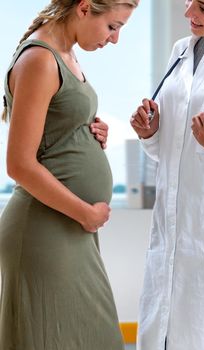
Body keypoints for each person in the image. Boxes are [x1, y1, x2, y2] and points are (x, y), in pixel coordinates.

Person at [0, 0, 139, 349]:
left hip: (68, 228)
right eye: (112, 26)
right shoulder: (40, 59)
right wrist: (86, 213)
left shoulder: (65, 54)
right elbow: (19, 164)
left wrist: (88, 132)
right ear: (85, 7)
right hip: (44, 229)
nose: (116, 39)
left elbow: (53, 130)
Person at [130, 0, 204, 349]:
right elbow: (171, 152)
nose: (189, 15)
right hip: (169, 232)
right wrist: (150, 132)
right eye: (189, 2)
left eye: (203, 8)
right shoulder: (180, 51)